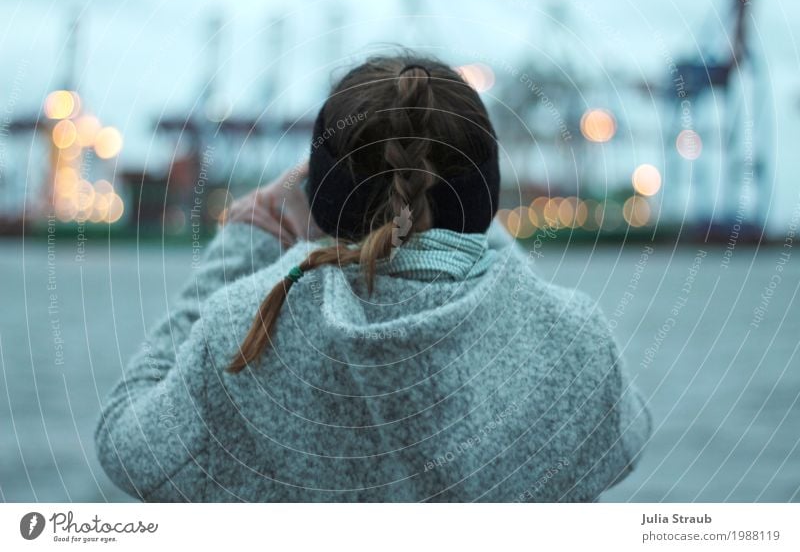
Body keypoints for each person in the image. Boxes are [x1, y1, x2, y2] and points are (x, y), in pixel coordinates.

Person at [95, 53, 651, 502]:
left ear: (323, 195)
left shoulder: (244, 329)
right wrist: (478, 234)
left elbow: (126, 441)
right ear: (484, 195)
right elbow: (625, 438)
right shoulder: (574, 341)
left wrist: (247, 239)